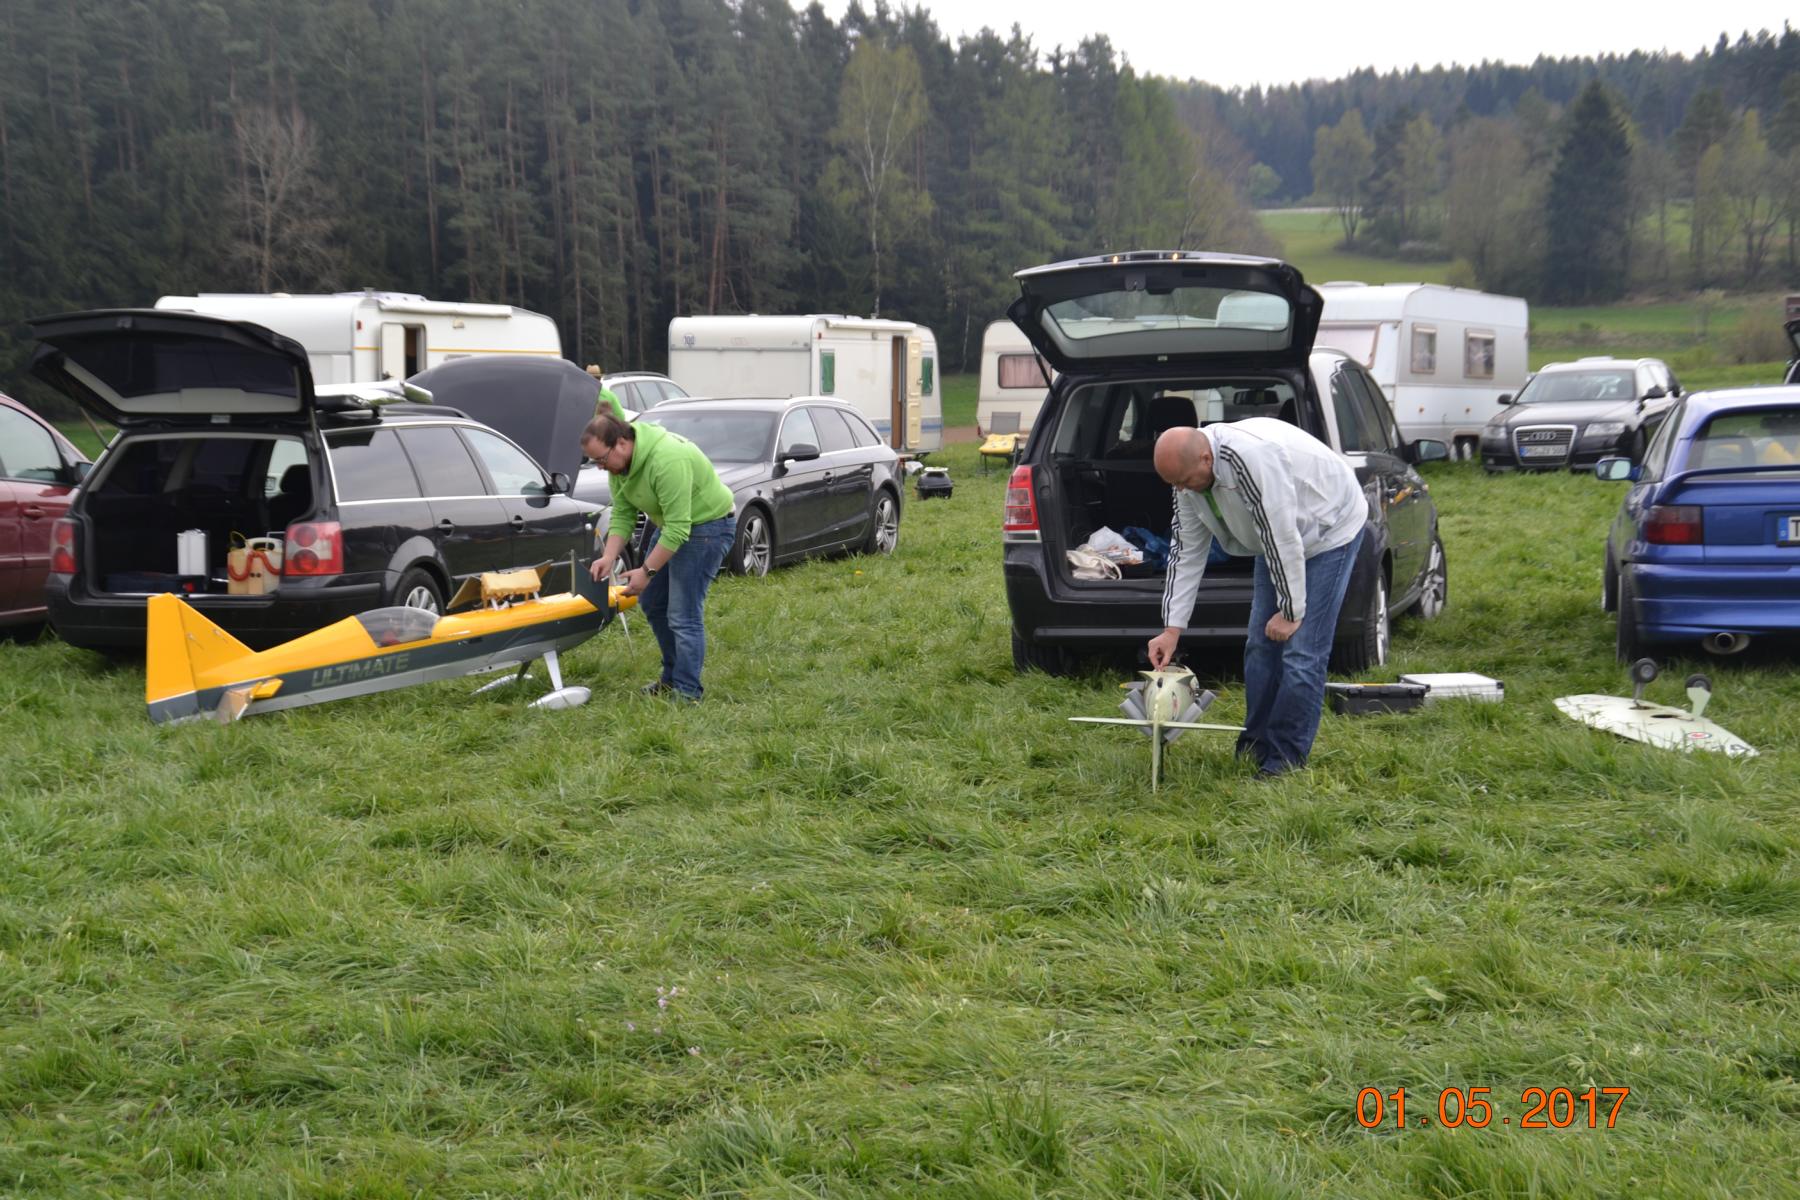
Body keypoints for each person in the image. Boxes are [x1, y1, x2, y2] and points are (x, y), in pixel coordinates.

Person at [1145, 418, 1367, 776]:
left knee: (1302, 653)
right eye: (1174, 484)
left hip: (1329, 527)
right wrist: (1172, 629)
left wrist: (1291, 611)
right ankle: (1254, 748)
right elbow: (1186, 550)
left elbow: (1282, 536)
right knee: (1260, 646)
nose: (1181, 490)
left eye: (1184, 481)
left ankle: (1284, 761)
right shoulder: (1185, 481)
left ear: (1206, 459)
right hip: (1273, 537)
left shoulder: (1251, 459)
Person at [583, 393, 736, 702]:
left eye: (601, 459)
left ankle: (687, 691)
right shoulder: (619, 468)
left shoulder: (667, 460)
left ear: (622, 443)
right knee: (653, 602)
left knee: (683, 613)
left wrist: (646, 571)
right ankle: (671, 678)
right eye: (594, 462)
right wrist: (608, 557)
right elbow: (623, 513)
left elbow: (680, 528)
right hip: (673, 527)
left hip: (708, 527)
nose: (600, 467)